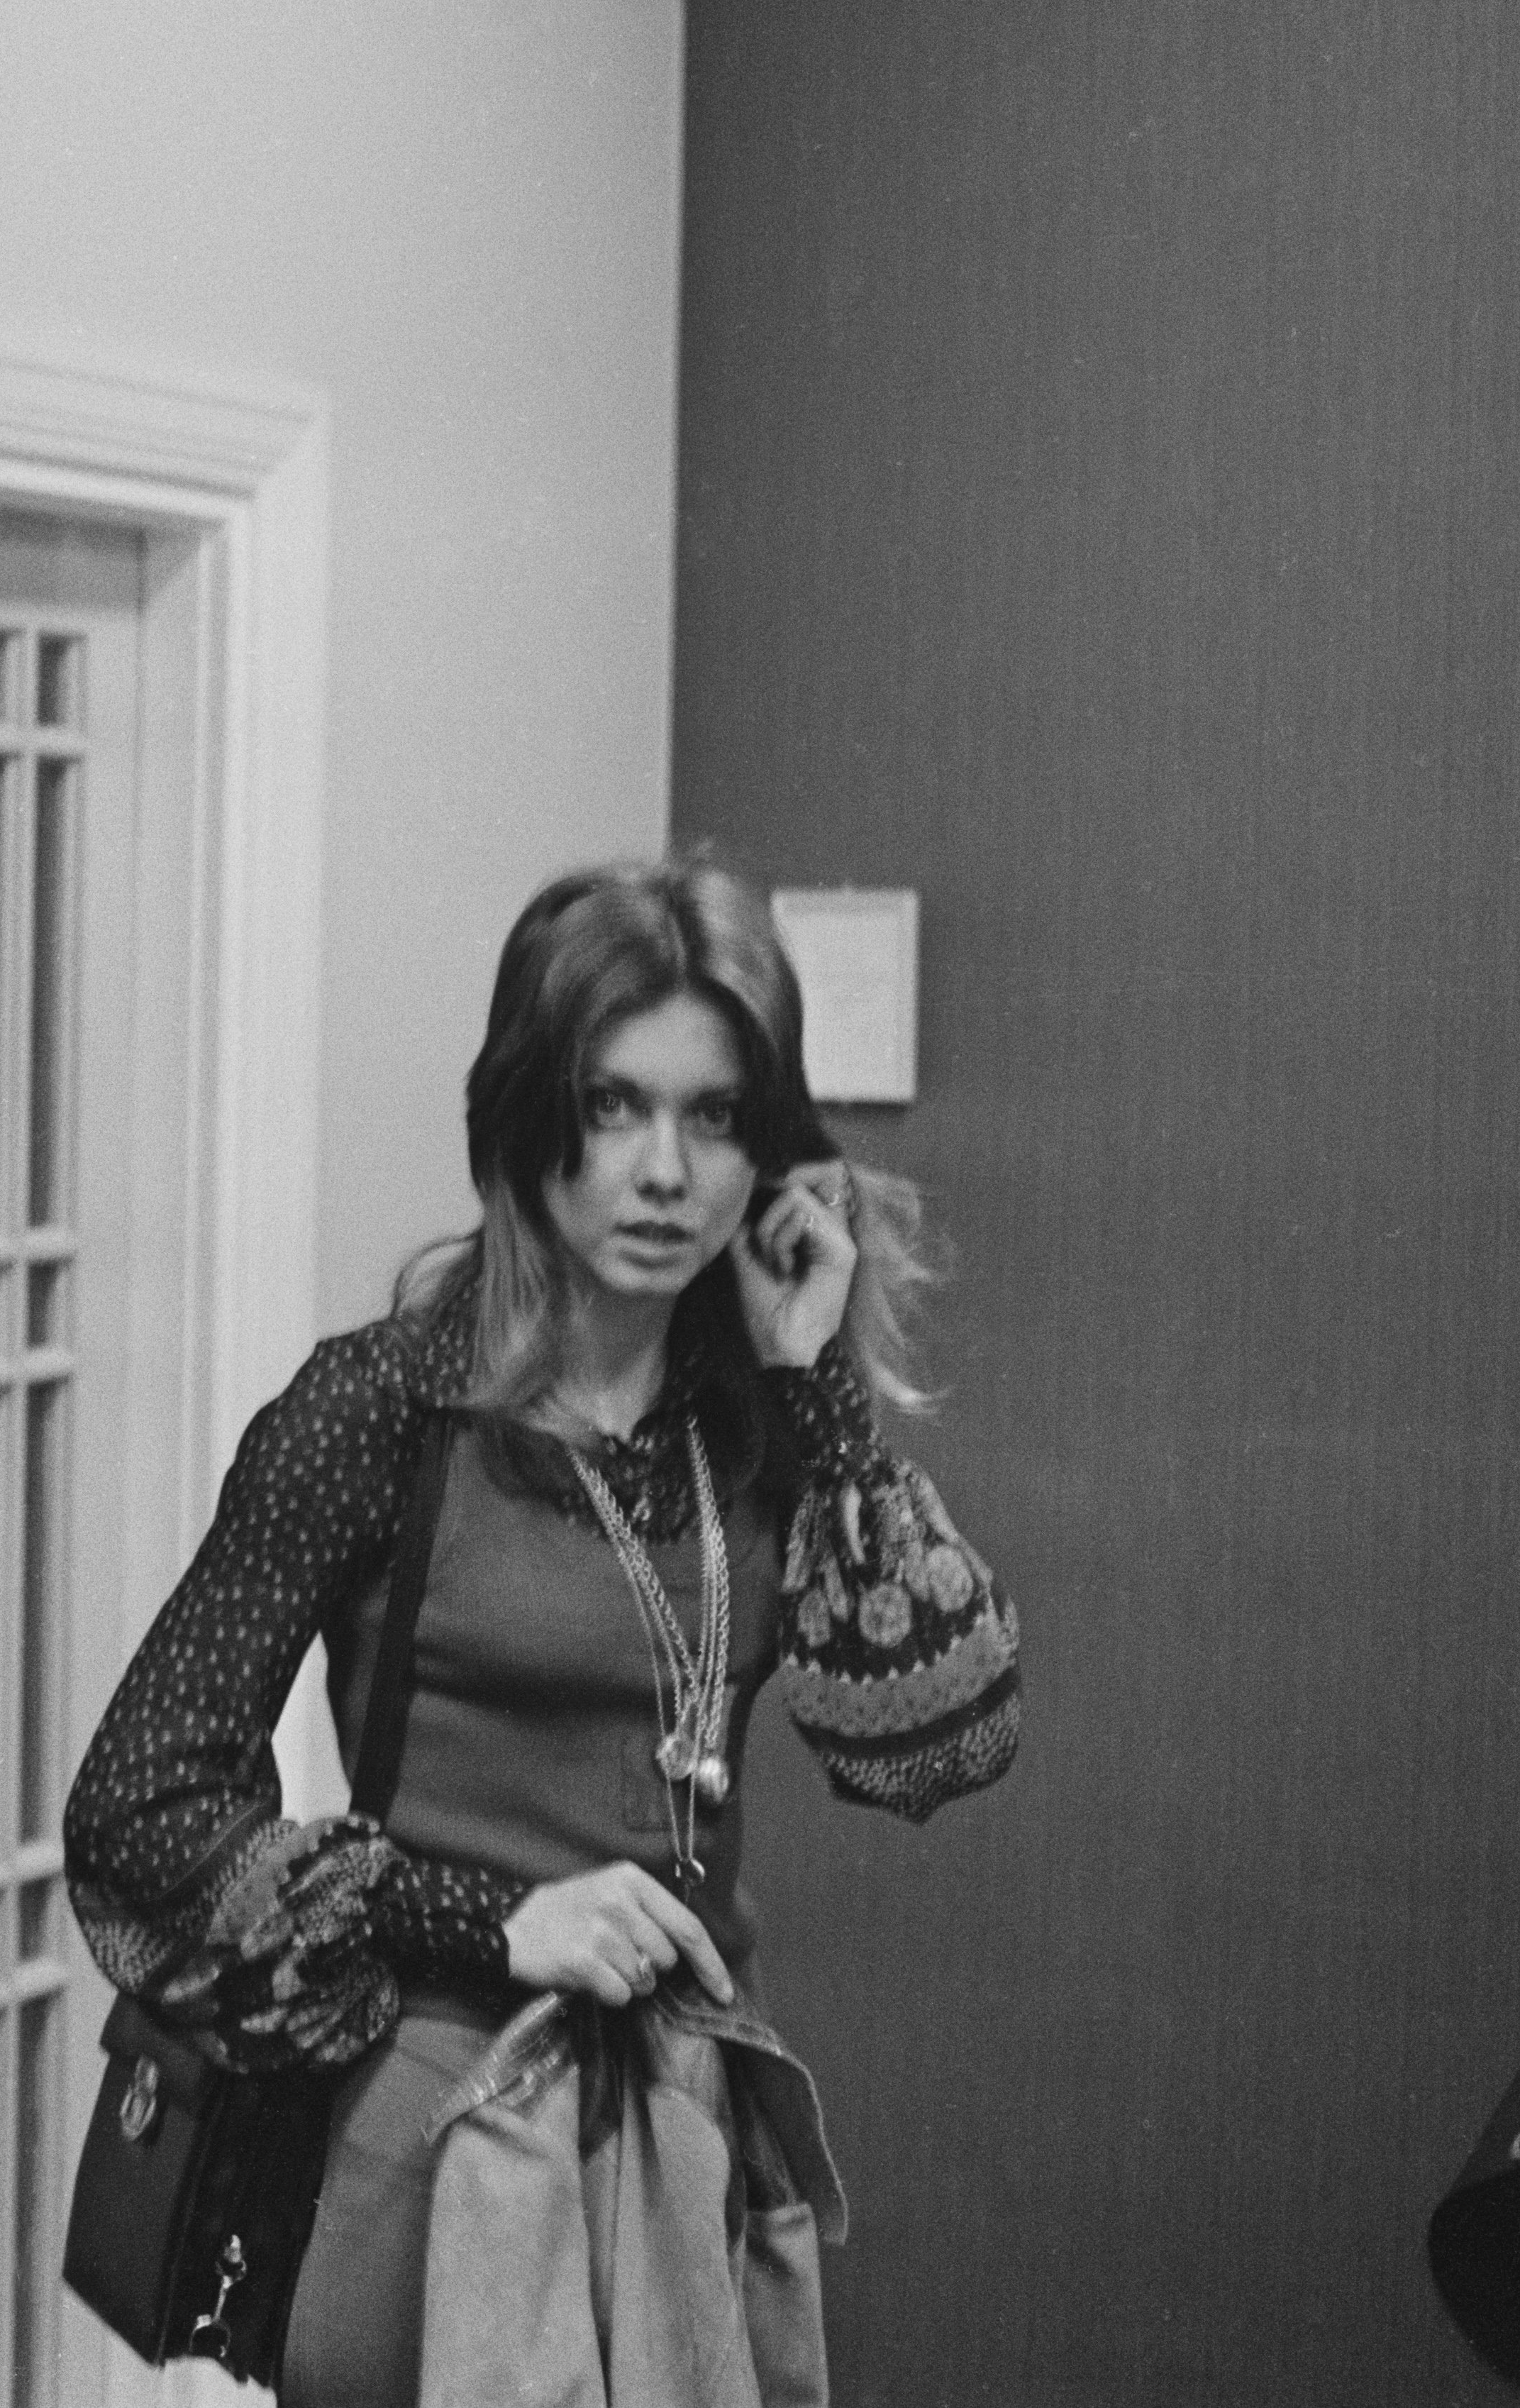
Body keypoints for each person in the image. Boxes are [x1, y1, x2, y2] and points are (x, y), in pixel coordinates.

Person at [62, 856, 1019, 2404]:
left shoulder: (750, 1417)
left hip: (685, 2110)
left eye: (713, 1117)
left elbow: (933, 1746)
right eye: (612, 1104)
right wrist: (491, 1915)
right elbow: (136, 1802)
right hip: (431, 2121)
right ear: (527, 1117)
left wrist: (821, 1389)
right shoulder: (377, 1407)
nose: (664, 1172)